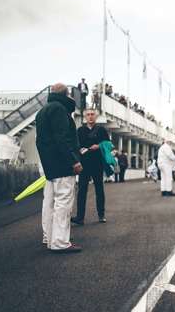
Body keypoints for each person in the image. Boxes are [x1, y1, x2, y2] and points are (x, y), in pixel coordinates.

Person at [35, 83, 82, 253]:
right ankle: (60, 241)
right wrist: (73, 160)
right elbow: (62, 139)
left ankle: (49, 237)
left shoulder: (42, 111)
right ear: (67, 95)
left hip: (49, 165)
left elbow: (41, 141)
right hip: (62, 164)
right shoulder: (60, 110)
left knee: (48, 202)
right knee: (63, 202)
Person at [72, 109, 110, 225]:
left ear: (96, 116)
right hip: (84, 164)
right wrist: (79, 150)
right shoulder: (80, 130)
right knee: (82, 190)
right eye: (88, 115)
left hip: (98, 164)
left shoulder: (102, 130)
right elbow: (75, 145)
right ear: (85, 117)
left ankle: (101, 215)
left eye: (92, 114)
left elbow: (108, 144)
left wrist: (98, 146)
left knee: (99, 189)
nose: (90, 117)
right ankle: (80, 217)